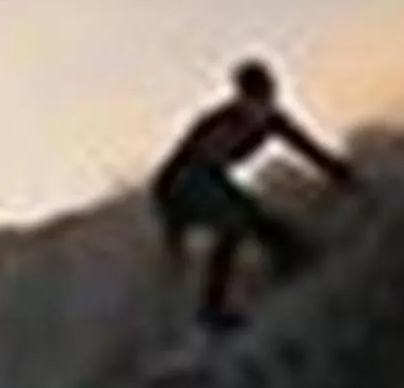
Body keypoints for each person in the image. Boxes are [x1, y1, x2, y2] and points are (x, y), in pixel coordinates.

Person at [150, 58, 361, 332]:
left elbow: (308, 149)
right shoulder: (225, 117)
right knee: (234, 226)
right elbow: (175, 164)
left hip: (211, 179)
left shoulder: (269, 119)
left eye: (267, 85)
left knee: (264, 225)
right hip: (187, 181)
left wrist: (341, 175)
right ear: (246, 90)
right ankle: (211, 309)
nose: (268, 91)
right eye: (260, 87)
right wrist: (171, 223)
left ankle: (289, 265)